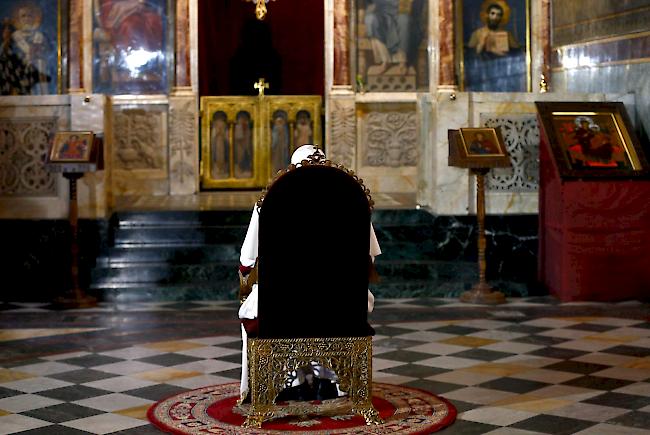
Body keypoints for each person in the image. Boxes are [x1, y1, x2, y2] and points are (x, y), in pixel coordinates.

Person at [237, 144, 381, 401]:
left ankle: (282, 382)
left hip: (283, 307)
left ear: (291, 168)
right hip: (342, 306)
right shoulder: (351, 198)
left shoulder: (274, 199)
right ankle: (330, 381)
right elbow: (368, 256)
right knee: (345, 296)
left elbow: (248, 260)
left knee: (253, 305)